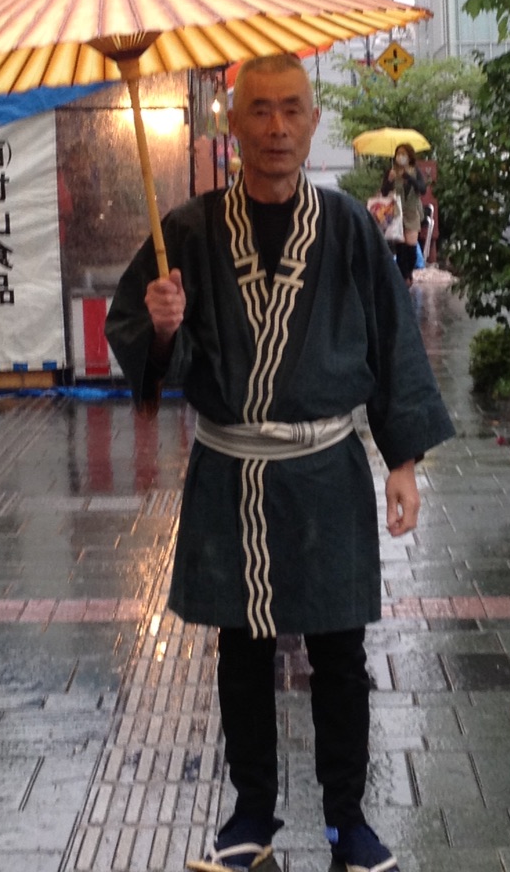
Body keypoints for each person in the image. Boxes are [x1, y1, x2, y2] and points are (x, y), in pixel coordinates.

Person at [105, 54, 454, 872]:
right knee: (242, 648)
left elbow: (391, 339)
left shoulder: (349, 227)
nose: (276, 127)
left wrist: (402, 461)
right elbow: (149, 344)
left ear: (313, 119)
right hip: (233, 469)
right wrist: (163, 327)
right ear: (233, 123)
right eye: (259, 110)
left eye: (292, 109)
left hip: (327, 464)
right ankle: (251, 817)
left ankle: (348, 822)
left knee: (340, 649)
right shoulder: (186, 231)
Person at [380, 143, 426, 287]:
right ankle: (403, 278)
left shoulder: (415, 171)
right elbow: (384, 192)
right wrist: (389, 180)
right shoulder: (392, 171)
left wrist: (409, 178)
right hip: (397, 213)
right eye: (398, 154)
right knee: (400, 248)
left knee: (411, 246)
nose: (400, 157)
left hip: (412, 212)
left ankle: (408, 274)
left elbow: (422, 189)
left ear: (409, 156)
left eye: (403, 154)